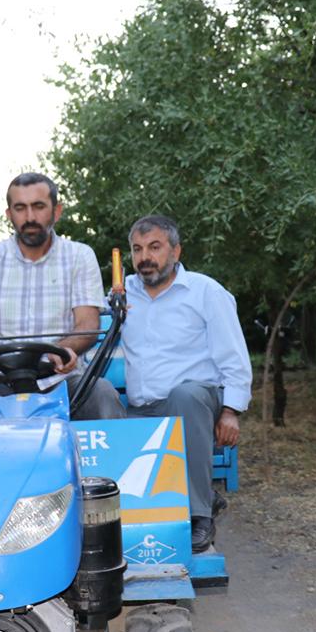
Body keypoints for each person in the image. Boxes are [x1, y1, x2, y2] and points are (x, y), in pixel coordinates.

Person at [0, 172, 123, 421]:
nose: (30, 217)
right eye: (20, 208)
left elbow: (87, 324)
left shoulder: (80, 256)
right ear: (9, 214)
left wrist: (63, 350)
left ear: (56, 211)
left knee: (102, 394)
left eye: (38, 206)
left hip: (61, 379)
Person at [120, 214, 251, 553]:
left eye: (155, 247)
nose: (145, 257)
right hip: (141, 409)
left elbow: (234, 356)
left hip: (194, 403)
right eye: (137, 249)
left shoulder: (206, 292)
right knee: (99, 405)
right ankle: (110, 518)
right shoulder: (123, 295)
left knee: (185, 395)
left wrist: (231, 412)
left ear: (176, 251)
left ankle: (199, 516)